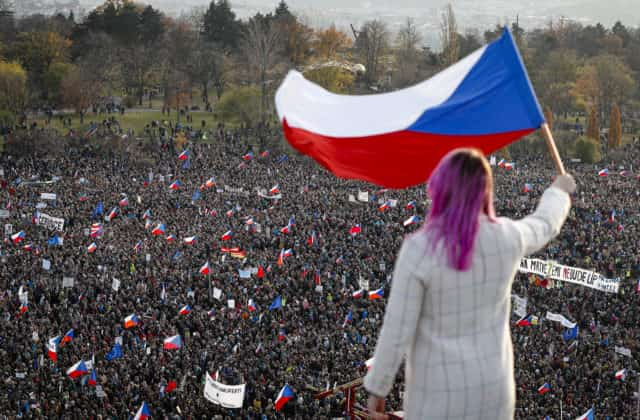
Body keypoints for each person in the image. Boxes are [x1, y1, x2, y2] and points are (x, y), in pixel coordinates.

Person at [364, 148, 576, 420]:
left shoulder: (420, 248)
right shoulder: (507, 237)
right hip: (493, 393)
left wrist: (377, 391)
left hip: (436, 395)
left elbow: (397, 329)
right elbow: (544, 224)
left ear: (440, 188)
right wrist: (558, 191)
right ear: (485, 190)